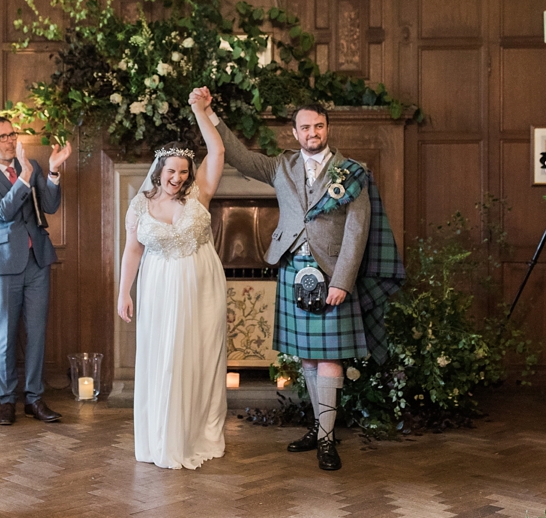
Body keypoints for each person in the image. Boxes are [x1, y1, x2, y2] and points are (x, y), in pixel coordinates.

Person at [196, 90, 370, 471]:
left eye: (319, 126)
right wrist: (210, 115)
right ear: (294, 132)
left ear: (328, 128)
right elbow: (239, 158)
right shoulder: (281, 167)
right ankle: (318, 426)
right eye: (305, 127)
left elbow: (358, 230)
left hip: (330, 273)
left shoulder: (352, 172)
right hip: (293, 269)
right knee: (308, 355)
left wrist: (342, 280)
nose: (313, 132)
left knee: (330, 358)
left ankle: (326, 439)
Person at [117, 91, 228, 470]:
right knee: (163, 355)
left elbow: (217, 153)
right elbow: (132, 251)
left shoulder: (201, 194)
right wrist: (123, 293)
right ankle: (162, 434)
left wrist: (200, 111)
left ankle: (196, 431)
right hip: (159, 286)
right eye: (171, 172)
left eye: (183, 172)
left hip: (201, 285)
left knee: (198, 356)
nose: (177, 179)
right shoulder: (140, 205)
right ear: (158, 172)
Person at [0, 116, 71, 426]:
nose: (11, 140)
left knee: (37, 332)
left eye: (12, 134)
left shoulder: (33, 166)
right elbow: (1, 213)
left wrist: (51, 171)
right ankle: (7, 400)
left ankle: (35, 399)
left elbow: (50, 206)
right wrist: (25, 176)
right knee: (6, 334)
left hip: (37, 259)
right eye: (3, 137)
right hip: (4, 263)